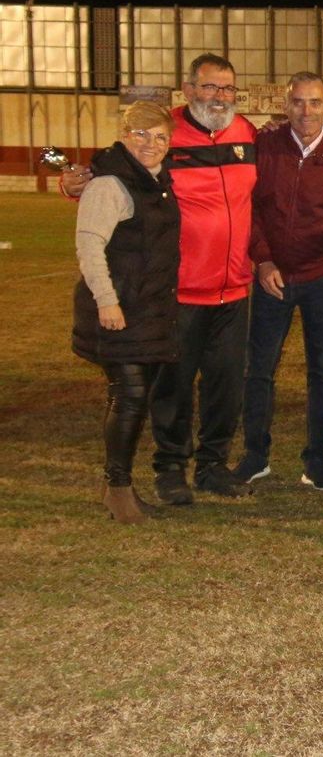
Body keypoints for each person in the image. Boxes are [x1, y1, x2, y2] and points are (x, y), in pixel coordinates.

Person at [68, 55, 262, 503]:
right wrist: (73, 184)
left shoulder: (246, 133)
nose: (220, 96)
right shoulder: (163, 135)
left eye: (228, 88)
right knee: (174, 386)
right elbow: (114, 176)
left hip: (234, 287)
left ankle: (213, 465)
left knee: (225, 385)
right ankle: (171, 469)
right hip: (180, 290)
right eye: (210, 87)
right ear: (189, 89)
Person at [238, 72, 323, 490]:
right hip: (272, 275)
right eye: (298, 102)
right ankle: (254, 456)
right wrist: (262, 260)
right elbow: (251, 210)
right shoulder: (266, 147)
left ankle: (317, 461)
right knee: (258, 370)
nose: (306, 110)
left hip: (321, 277)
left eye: (314, 102)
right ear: (285, 104)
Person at [70, 101, 179, 523]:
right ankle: (117, 488)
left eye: (160, 137)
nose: (150, 144)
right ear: (124, 133)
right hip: (120, 311)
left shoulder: (155, 180)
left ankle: (118, 486)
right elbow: (89, 246)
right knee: (129, 398)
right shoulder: (110, 185)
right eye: (141, 134)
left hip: (148, 312)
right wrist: (107, 300)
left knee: (135, 399)